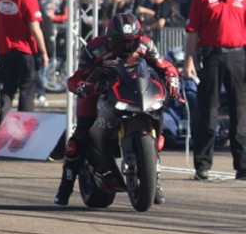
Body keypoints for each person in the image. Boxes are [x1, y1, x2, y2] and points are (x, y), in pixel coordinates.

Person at [54, 12, 179, 206]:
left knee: (159, 133)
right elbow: (76, 78)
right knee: (78, 139)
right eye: (122, 42)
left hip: (135, 92)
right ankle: (65, 187)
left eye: (132, 42)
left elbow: (165, 66)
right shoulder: (96, 48)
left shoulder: (147, 45)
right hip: (99, 92)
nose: (128, 47)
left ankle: (155, 181)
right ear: (111, 39)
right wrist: (85, 87)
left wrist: (172, 79)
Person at [182, 0, 246, 181]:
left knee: (240, 112)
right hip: (211, 56)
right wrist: (189, 60)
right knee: (208, 111)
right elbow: (192, 32)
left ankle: (243, 166)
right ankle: (202, 165)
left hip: (238, 55)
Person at [0, 0, 49, 125]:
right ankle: (24, 128)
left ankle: (3, 125)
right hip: (25, 51)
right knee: (27, 91)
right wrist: (44, 52)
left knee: (7, 89)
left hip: (5, 50)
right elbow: (35, 29)